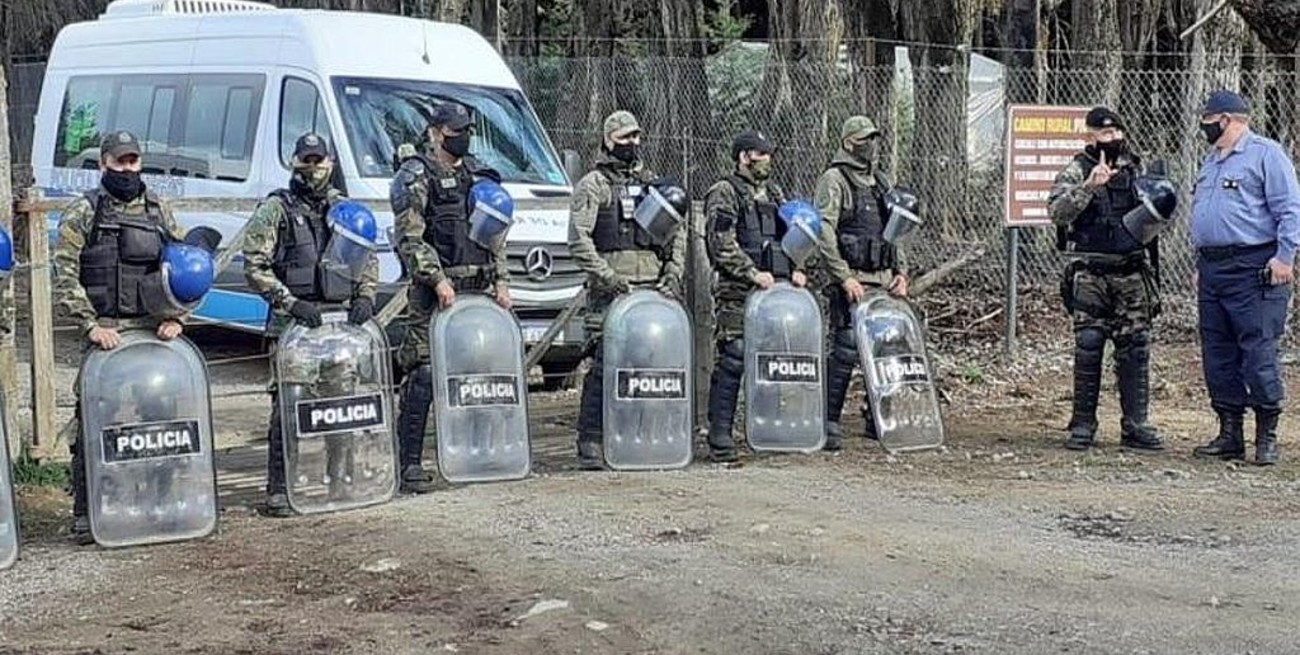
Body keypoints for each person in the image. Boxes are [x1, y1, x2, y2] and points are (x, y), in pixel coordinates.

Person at [53, 130, 189, 543]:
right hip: (104, 336)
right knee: (95, 423)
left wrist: (177, 317)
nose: (127, 169)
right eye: (119, 162)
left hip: (152, 335)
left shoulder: (158, 210)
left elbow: (183, 268)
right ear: (103, 164)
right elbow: (64, 273)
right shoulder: (84, 211)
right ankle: (89, 510)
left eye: (133, 161)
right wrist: (90, 324)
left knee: (161, 420)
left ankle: (160, 503)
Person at [243, 133, 379, 516]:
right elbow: (253, 265)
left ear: (331, 163)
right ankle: (281, 490)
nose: (313, 168)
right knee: (290, 406)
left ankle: (340, 483)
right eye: (306, 160)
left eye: (319, 160)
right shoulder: (277, 209)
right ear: (294, 162)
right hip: (294, 327)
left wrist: (365, 296)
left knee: (342, 407)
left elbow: (368, 259)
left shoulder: (345, 209)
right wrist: (290, 302)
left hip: (338, 327)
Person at [391, 102, 510, 492]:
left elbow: (496, 238)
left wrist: (502, 282)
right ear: (437, 132)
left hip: (477, 291)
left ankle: (479, 453)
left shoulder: (479, 176)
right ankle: (408, 463)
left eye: (468, 130)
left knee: (479, 373)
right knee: (423, 374)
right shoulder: (415, 177)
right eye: (457, 130)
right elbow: (409, 239)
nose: (464, 136)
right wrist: (437, 279)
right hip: (434, 295)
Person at [568, 110, 686, 469]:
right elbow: (578, 240)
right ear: (607, 140)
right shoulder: (593, 185)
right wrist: (608, 277)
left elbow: (675, 235)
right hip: (612, 292)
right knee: (606, 364)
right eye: (623, 138)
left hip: (652, 289)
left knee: (650, 366)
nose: (631, 143)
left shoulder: (652, 184)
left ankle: (640, 435)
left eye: (635, 136)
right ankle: (591, 440)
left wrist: (673, 273)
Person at [1189, 91, 1300, 465]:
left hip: (1254, 267)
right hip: (1213, 268)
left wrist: (1284, 257)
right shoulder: (1211, 160)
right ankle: (1229, 432)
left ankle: (1266, 436)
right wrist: (1199, 264)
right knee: (1217, 354)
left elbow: (1290, 210)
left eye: (1209, 120)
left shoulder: (1266, 155)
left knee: (1257, 351)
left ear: (1227, 119)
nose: (1204, 126)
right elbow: (1205, 216)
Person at [1046, 107, 1164, 452]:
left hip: (1130, 272)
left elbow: (1158, 215)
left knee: (1135, 350)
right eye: (1103, 135)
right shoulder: (1076, 169)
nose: (1111, 140)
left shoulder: (1135, 168)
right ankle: (1083, 424)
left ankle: (1136, 424)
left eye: (1115, 134)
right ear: (1090, 137)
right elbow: (1056, 212)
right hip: (1092, 272)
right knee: (1088, 347)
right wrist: (1088, 187)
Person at [703, 130, 808, 462]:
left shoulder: (774, 194)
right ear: (744, 157)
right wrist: (751, 273)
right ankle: (720, 436)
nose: (767, 160)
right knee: (734, 356)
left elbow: (792, 235)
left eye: (768, 154)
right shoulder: (724, 192)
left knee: (777, 360)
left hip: (775, 292)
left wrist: (796, 268)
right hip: (739, 291)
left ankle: (772, 428)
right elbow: (720, 243)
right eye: (761, 155)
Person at [814, 115, 909, 452]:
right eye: (863, 138)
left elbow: (894, 231)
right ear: (848, 142)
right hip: (853, 281)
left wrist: (901, 272)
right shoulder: (834, 179)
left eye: (873, 138)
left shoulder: (881, 182)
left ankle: (877, 417)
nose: (870, 144)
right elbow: (824, 230)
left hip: (883, 282)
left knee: (887, 348)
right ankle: (829, 421)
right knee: (845, 349)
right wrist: (843, 277)